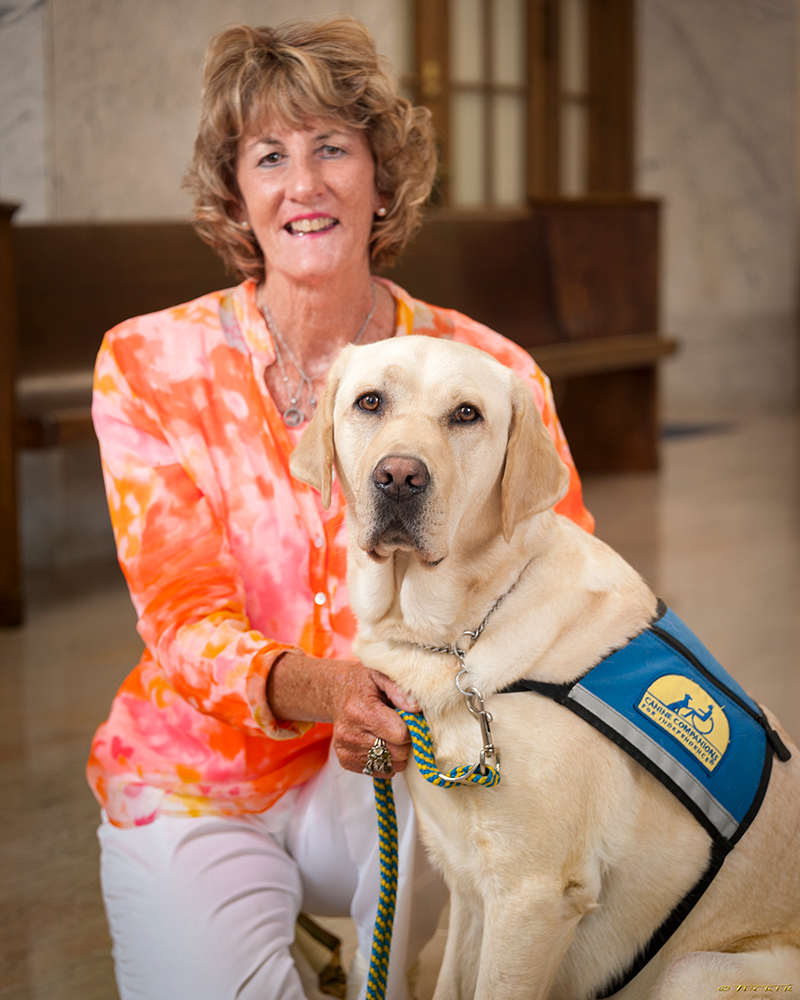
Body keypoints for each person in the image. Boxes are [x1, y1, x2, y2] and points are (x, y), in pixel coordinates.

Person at [87, 15, 595, 1000]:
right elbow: (182, 616)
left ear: (381, 174)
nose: (303, 183)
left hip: (411, 770)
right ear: (237, 188)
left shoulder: (487, 377)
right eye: (269, 155)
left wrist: (425, 703)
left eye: (331, 147)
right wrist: (326, 689)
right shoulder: (150, 364)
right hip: (200, 780)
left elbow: (559, 587)